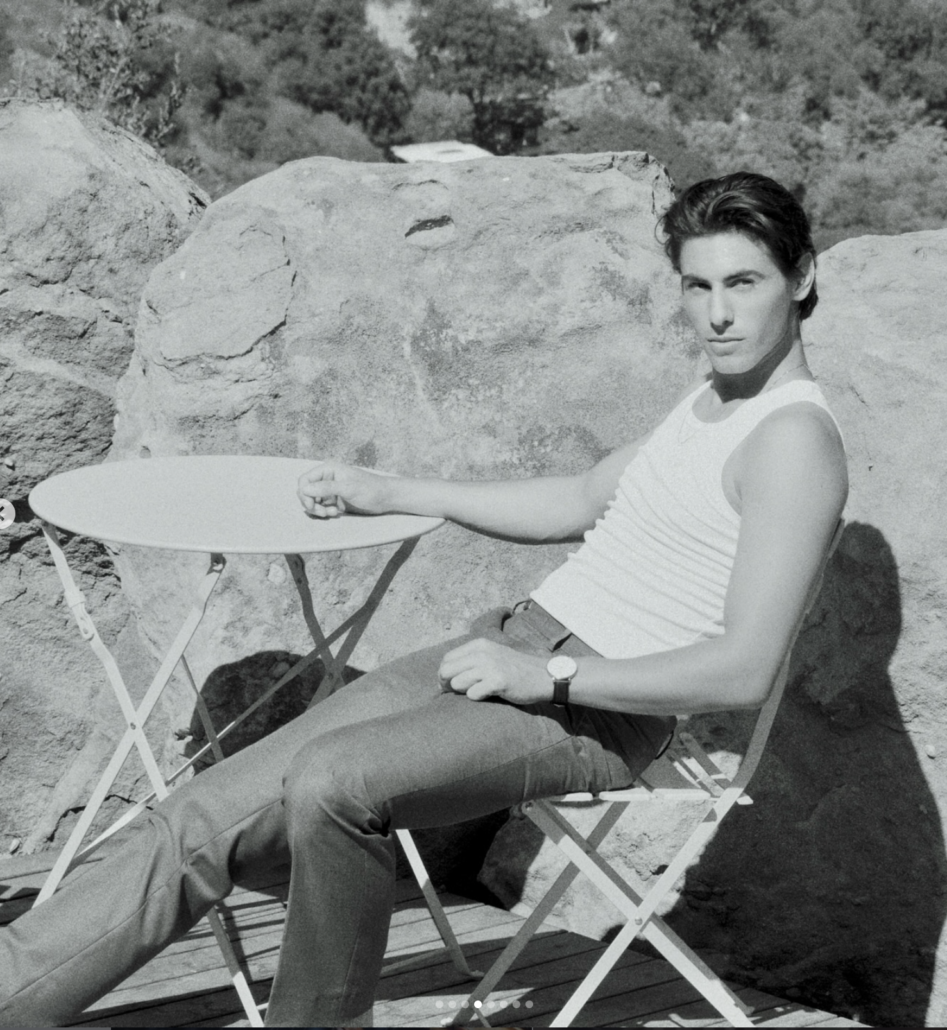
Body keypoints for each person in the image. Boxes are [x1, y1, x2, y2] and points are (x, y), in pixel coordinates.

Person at [0, 171, 847, 1028]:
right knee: (206, 807)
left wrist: (548, 677)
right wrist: (395, 492)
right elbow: (577, 500)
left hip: (596, 707)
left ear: (801, 277)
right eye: (698, 286)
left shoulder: (792, 441)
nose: (717, 315)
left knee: (335, 780)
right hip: (513, 646)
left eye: (743, 283)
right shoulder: (712, 401)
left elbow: (742, 669)